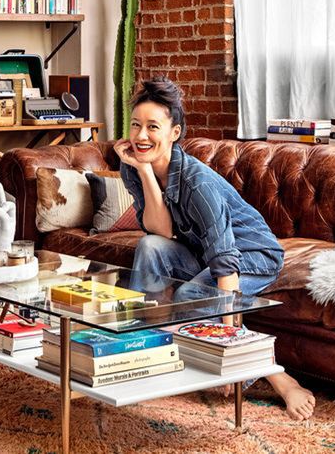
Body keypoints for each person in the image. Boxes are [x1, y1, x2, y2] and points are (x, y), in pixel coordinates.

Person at [113, 76, 315, 421]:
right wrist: (145, 171)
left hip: (251, 254)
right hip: (202, 253)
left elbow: (226, 265)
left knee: (194, 293)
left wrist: (229, 353)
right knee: (149, 246)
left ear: (174, 132)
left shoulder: (197, 182)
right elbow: (160, 230)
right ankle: (137, 348)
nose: (141, 136)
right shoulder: (134, 165)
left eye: (152, 127)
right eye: (135, 125)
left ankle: (280, 378)